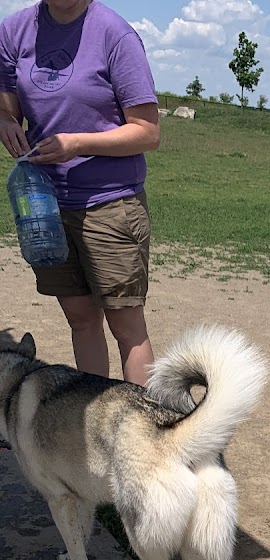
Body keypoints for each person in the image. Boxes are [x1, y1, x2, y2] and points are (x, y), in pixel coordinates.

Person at [0, 0, 160, 385]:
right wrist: (5, 121)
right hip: (44, 206)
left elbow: (148, 132)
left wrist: (77, 144)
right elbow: (8, 107)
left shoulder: (114, 34)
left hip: (109, 203)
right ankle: (93, 423)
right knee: (81, 319)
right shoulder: (14, 31)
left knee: (126, 326)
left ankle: (142, 434)